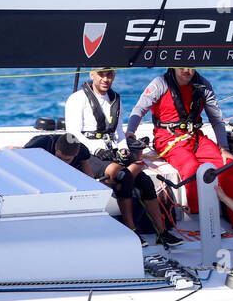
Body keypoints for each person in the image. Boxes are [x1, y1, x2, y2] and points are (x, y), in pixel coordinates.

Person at [125, 67, 233, 223]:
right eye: (182, 66)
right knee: (190, 167)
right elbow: (140, 108)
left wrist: (224, 149)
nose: (187, 70)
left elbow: (216, 119)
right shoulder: (160, 83)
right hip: (167, 139)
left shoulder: (203, 84)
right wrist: (130, 131)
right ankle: (199, 218)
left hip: (195, 137)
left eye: (191, 66)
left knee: (230, 164)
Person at [65, 67, 176, 241]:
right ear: (92, 75)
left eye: (109, 75)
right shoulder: (77, 99)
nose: (105, 79)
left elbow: (118, 132)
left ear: (114, 76)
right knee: (122, 175)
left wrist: (123, 148)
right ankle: (131, 230)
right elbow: (73, 133)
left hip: (111, 151)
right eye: (101, 75)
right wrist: (96, 150)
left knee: (146, 182)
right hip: (87, 153)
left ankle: (162, 232)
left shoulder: (116, 99)